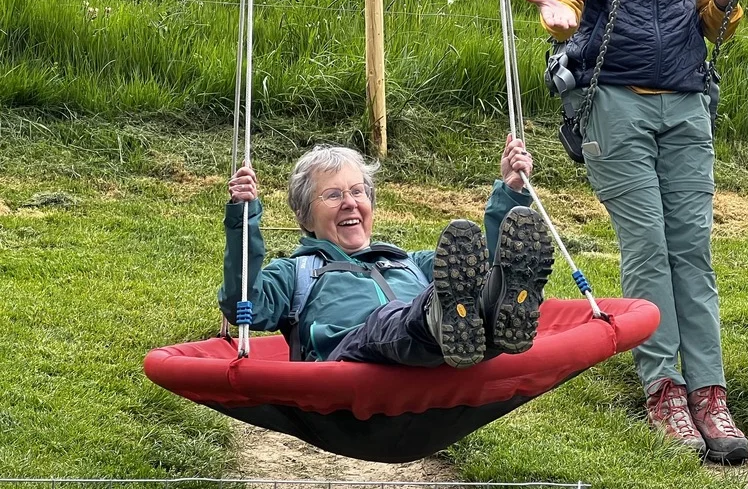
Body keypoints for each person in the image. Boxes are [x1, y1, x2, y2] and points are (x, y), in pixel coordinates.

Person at [524, 0, 748, 460]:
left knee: (691, 249)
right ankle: (664, 390)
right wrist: (558, 18)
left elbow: (714, 25)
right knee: (648, 244)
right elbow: (568, 2)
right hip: (614, 100)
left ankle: (709, 392)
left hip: (685, 99)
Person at [218, 136, 555, 368]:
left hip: (441, 355)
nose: (350, 202)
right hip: (353, 356)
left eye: (358, 192)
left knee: (479, 290)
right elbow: (243, 303)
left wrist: (511, 191)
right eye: (333, 195)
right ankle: (437, 319)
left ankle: (496, 318)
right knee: (390, 320)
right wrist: (242, 220)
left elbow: (483, 273)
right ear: (305, 215)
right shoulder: (296, 274)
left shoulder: (412, 263)